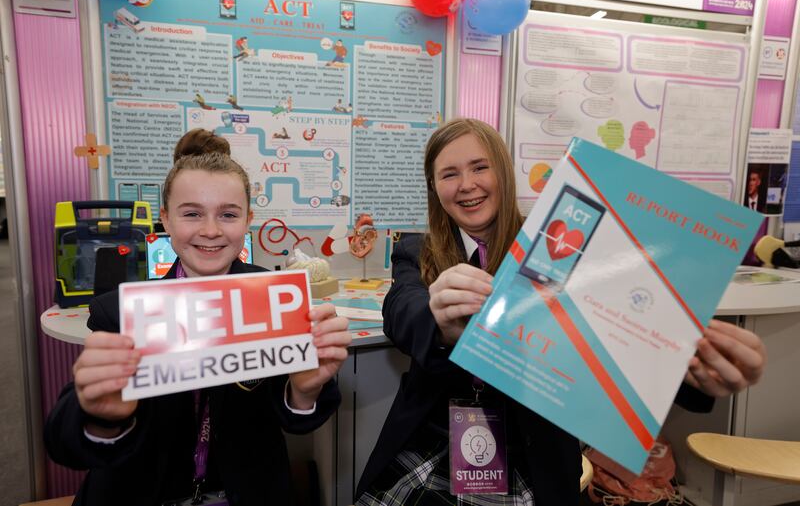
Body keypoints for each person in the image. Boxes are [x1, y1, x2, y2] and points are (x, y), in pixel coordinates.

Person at [356, 118, 766, 506]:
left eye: (480, 167)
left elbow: (620, 333)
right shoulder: (417, 251)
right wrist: (440, 323)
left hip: (532, 455)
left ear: (503, 172)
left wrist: (693, 373)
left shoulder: (563, 243)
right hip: (434, 442)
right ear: (433, 187)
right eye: (449, 174)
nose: (467, 185)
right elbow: (402, 312)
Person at [45, 130, 352, 506]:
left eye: (228, 214)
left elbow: (300, 416)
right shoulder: (120, 313)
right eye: (191, 213)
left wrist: (303, 393)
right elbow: (62, 442)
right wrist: (102, 420)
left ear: (248, 220)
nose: (210, 230)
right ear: (166, 221)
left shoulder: (276, 298)